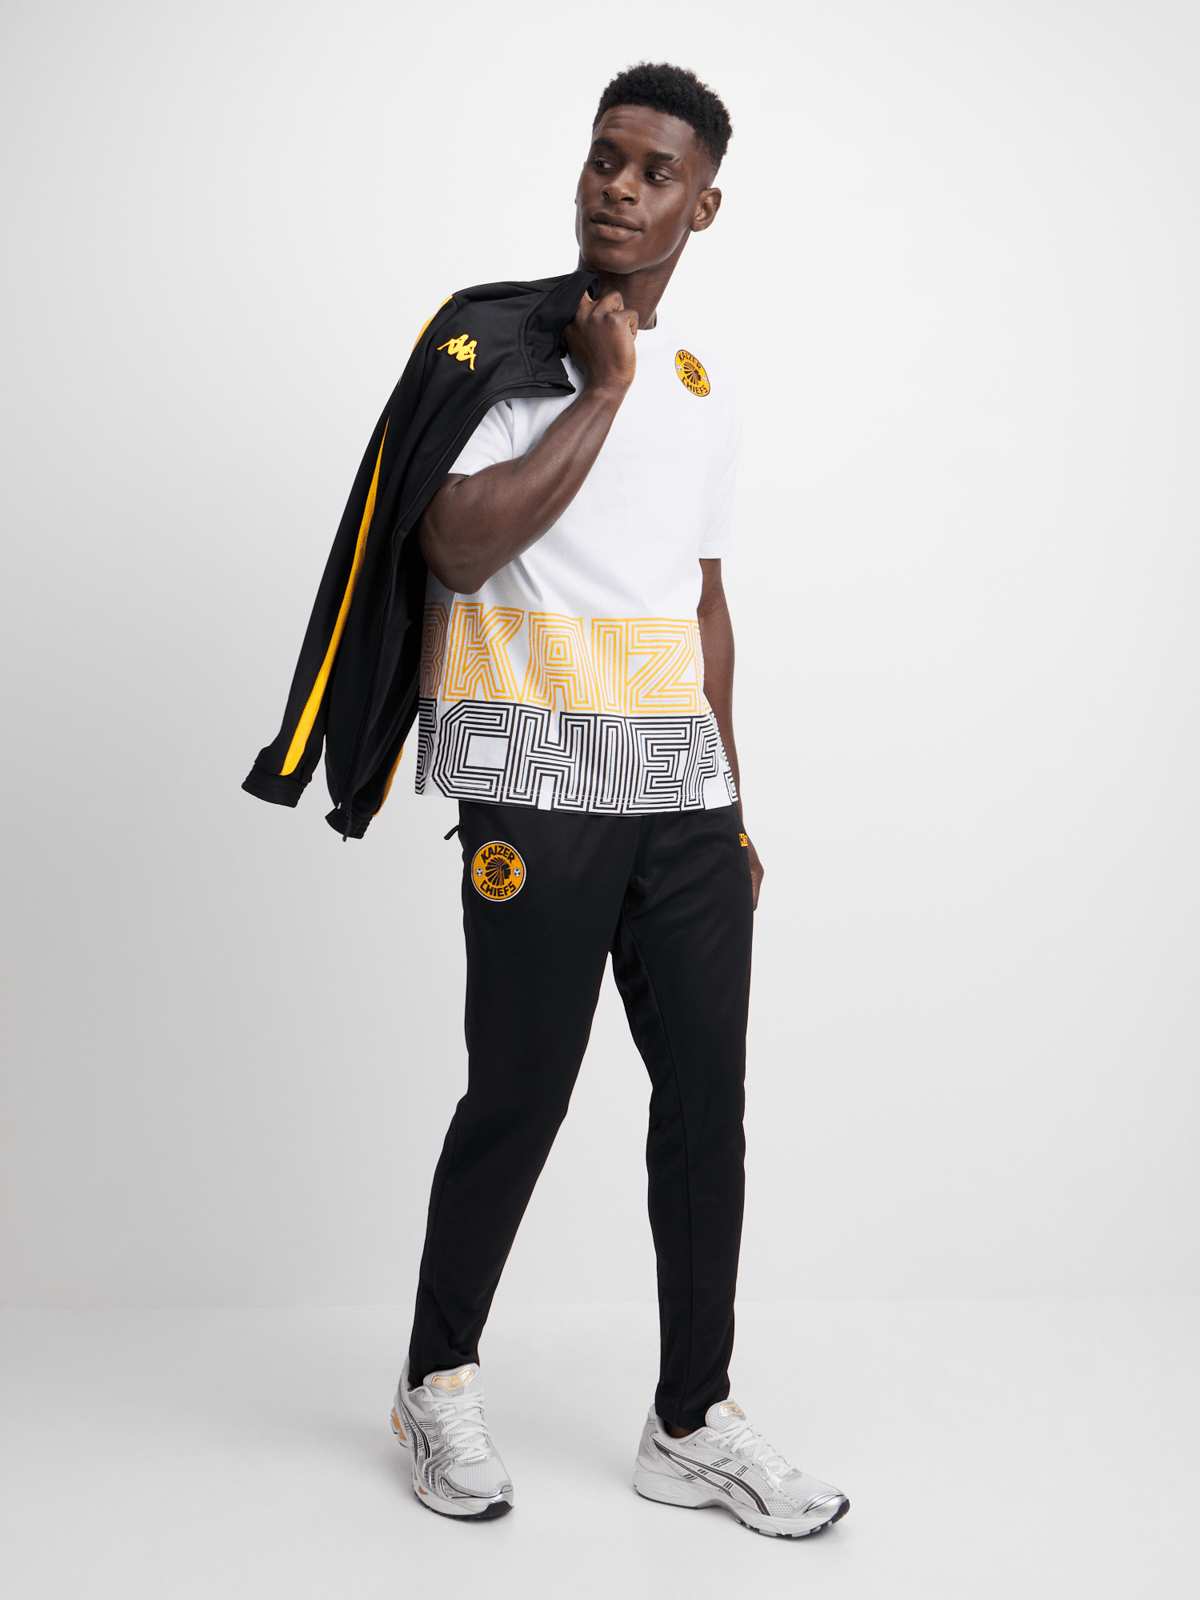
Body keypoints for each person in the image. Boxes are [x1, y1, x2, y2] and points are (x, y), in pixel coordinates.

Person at [389, 62, 850, 1540]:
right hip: (534, 781)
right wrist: (600, 390)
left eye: (656, 171)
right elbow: (457, 545)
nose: (621, 187)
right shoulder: (498, 346)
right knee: (521, 1090)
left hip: (680, 796)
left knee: (707, 1104)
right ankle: (435, 1382)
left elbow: (702, 596)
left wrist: (733, 794)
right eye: (606, 158)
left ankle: (691, 1422)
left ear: (702, 206)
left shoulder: (705, 384)